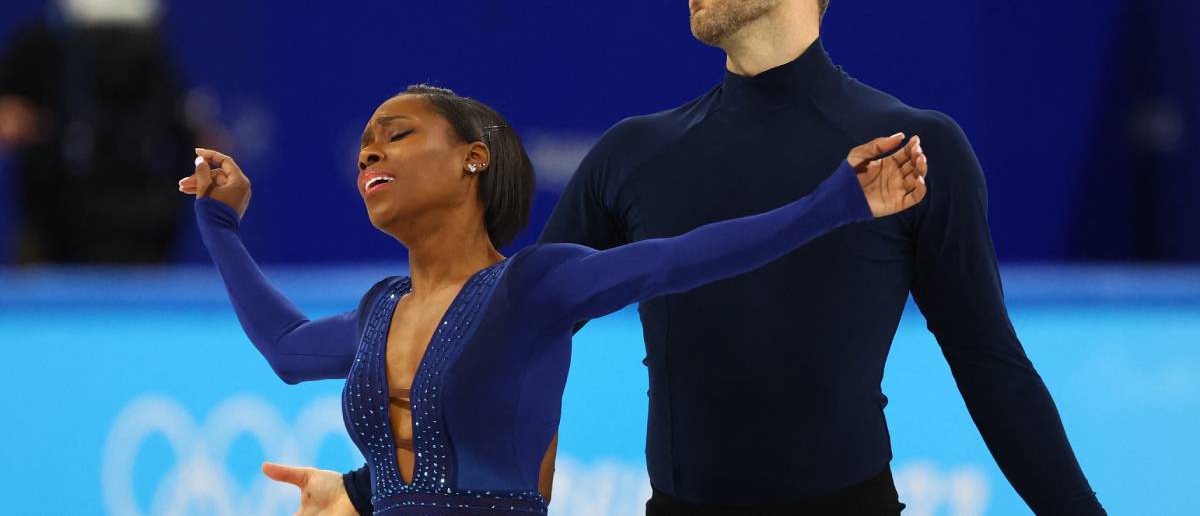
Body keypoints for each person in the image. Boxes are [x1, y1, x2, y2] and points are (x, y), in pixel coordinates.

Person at [307, 0, 1104, 516]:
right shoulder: (635, 154)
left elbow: (990, 363)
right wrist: (369, 487)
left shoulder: (909, 148)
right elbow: (501, 337)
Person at [178, 83, 927, 516]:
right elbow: (287, 349)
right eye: (366, 143)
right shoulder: (381, 309)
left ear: (475, 157)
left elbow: (681, 257)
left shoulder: (534, 285)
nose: (370, 150)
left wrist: (836, 206)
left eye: (397, 134)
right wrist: (219, 223)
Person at [0, 0, 196, 264]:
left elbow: (179, 121)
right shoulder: (34, 44)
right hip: (54, 226)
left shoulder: (149, 44)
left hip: (142, 222)